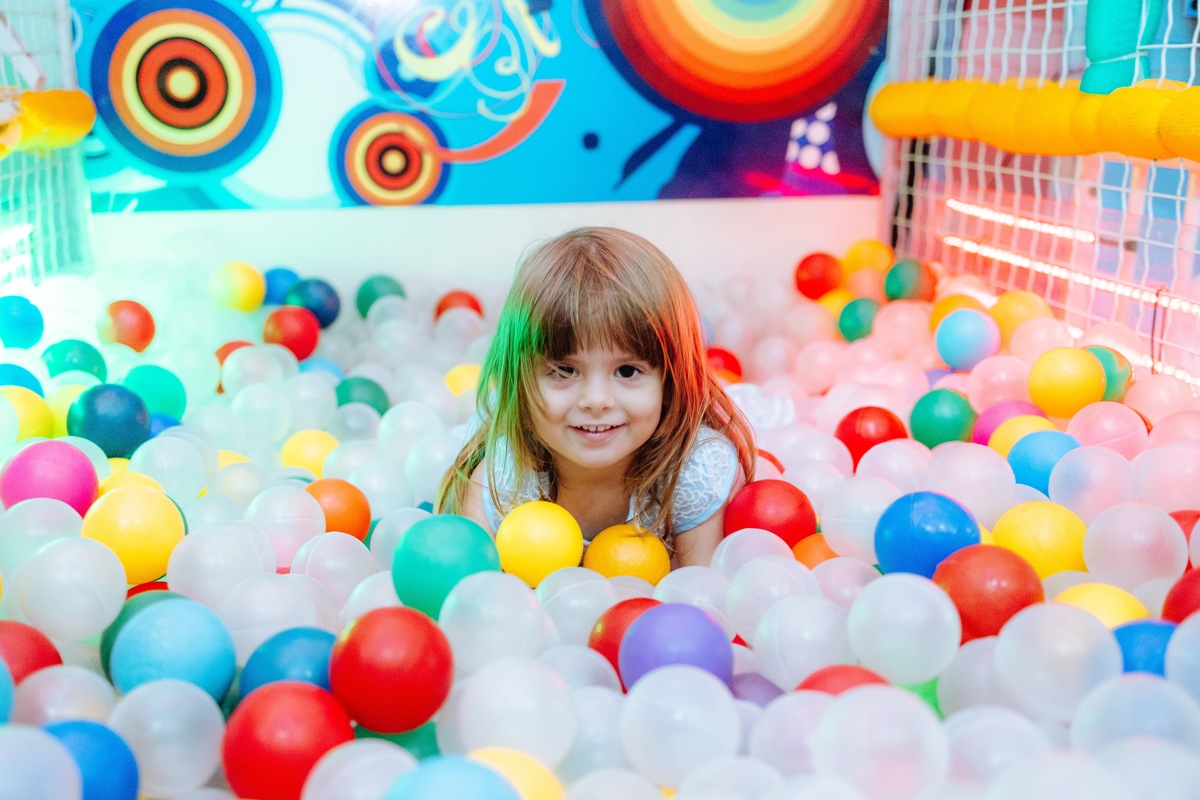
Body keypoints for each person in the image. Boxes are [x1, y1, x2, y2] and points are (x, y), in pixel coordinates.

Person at [436, 226, 756, 569]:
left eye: (628, 371)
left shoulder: (695, 472)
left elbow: (700, 594)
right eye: (564, 371)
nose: (596, 400)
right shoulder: (500, 482)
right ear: (521, 382)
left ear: (670, 380)